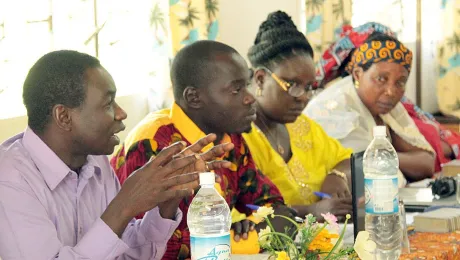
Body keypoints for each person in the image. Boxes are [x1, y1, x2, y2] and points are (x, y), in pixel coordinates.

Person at [0, 50, 232, 259]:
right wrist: (124, 204)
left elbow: (127, 254)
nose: (121, 113)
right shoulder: (10, 179)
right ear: (64, 117)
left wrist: (167, 203)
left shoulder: (94, 160)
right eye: (108, 103)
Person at [110, 40, 291, 259]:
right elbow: (152, 247)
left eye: (248, 84)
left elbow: (278, 211)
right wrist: (244, 239)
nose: (251, 97)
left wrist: (249, 227)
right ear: (194, 98)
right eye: (236, 89)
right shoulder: (154, 144)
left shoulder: (229, 135)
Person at [241, 11, 353, 220]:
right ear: (260, 79)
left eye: (309, 87)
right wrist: (311, 211)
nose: (304, 98)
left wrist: (336, 176)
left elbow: (346, 159)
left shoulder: (301, 126)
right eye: (292, 85)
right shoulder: (239, 138)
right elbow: (241, 211)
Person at [305, 23, 436, 183]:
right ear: (358, 74)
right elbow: (373, 176)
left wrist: (385, 156)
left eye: (400, 82)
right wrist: (393, 156)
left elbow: (427, 162)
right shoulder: (337, 108)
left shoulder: (384, 103)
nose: (391, 91)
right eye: (381, 79)